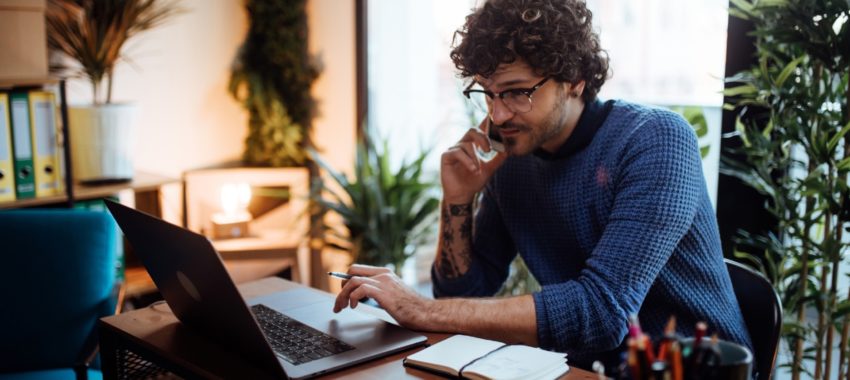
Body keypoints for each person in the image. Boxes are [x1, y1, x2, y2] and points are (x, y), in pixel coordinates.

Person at [332, 0, 752, 370]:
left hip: (696, 367)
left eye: (516, 93)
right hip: (588, 369)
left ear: (574, 79)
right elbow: (465, 290)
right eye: (488, 93)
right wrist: (458, 198)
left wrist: (420, 309)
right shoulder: (513, 158)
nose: (497, 115)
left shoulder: (656, 140)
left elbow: (602, 312)